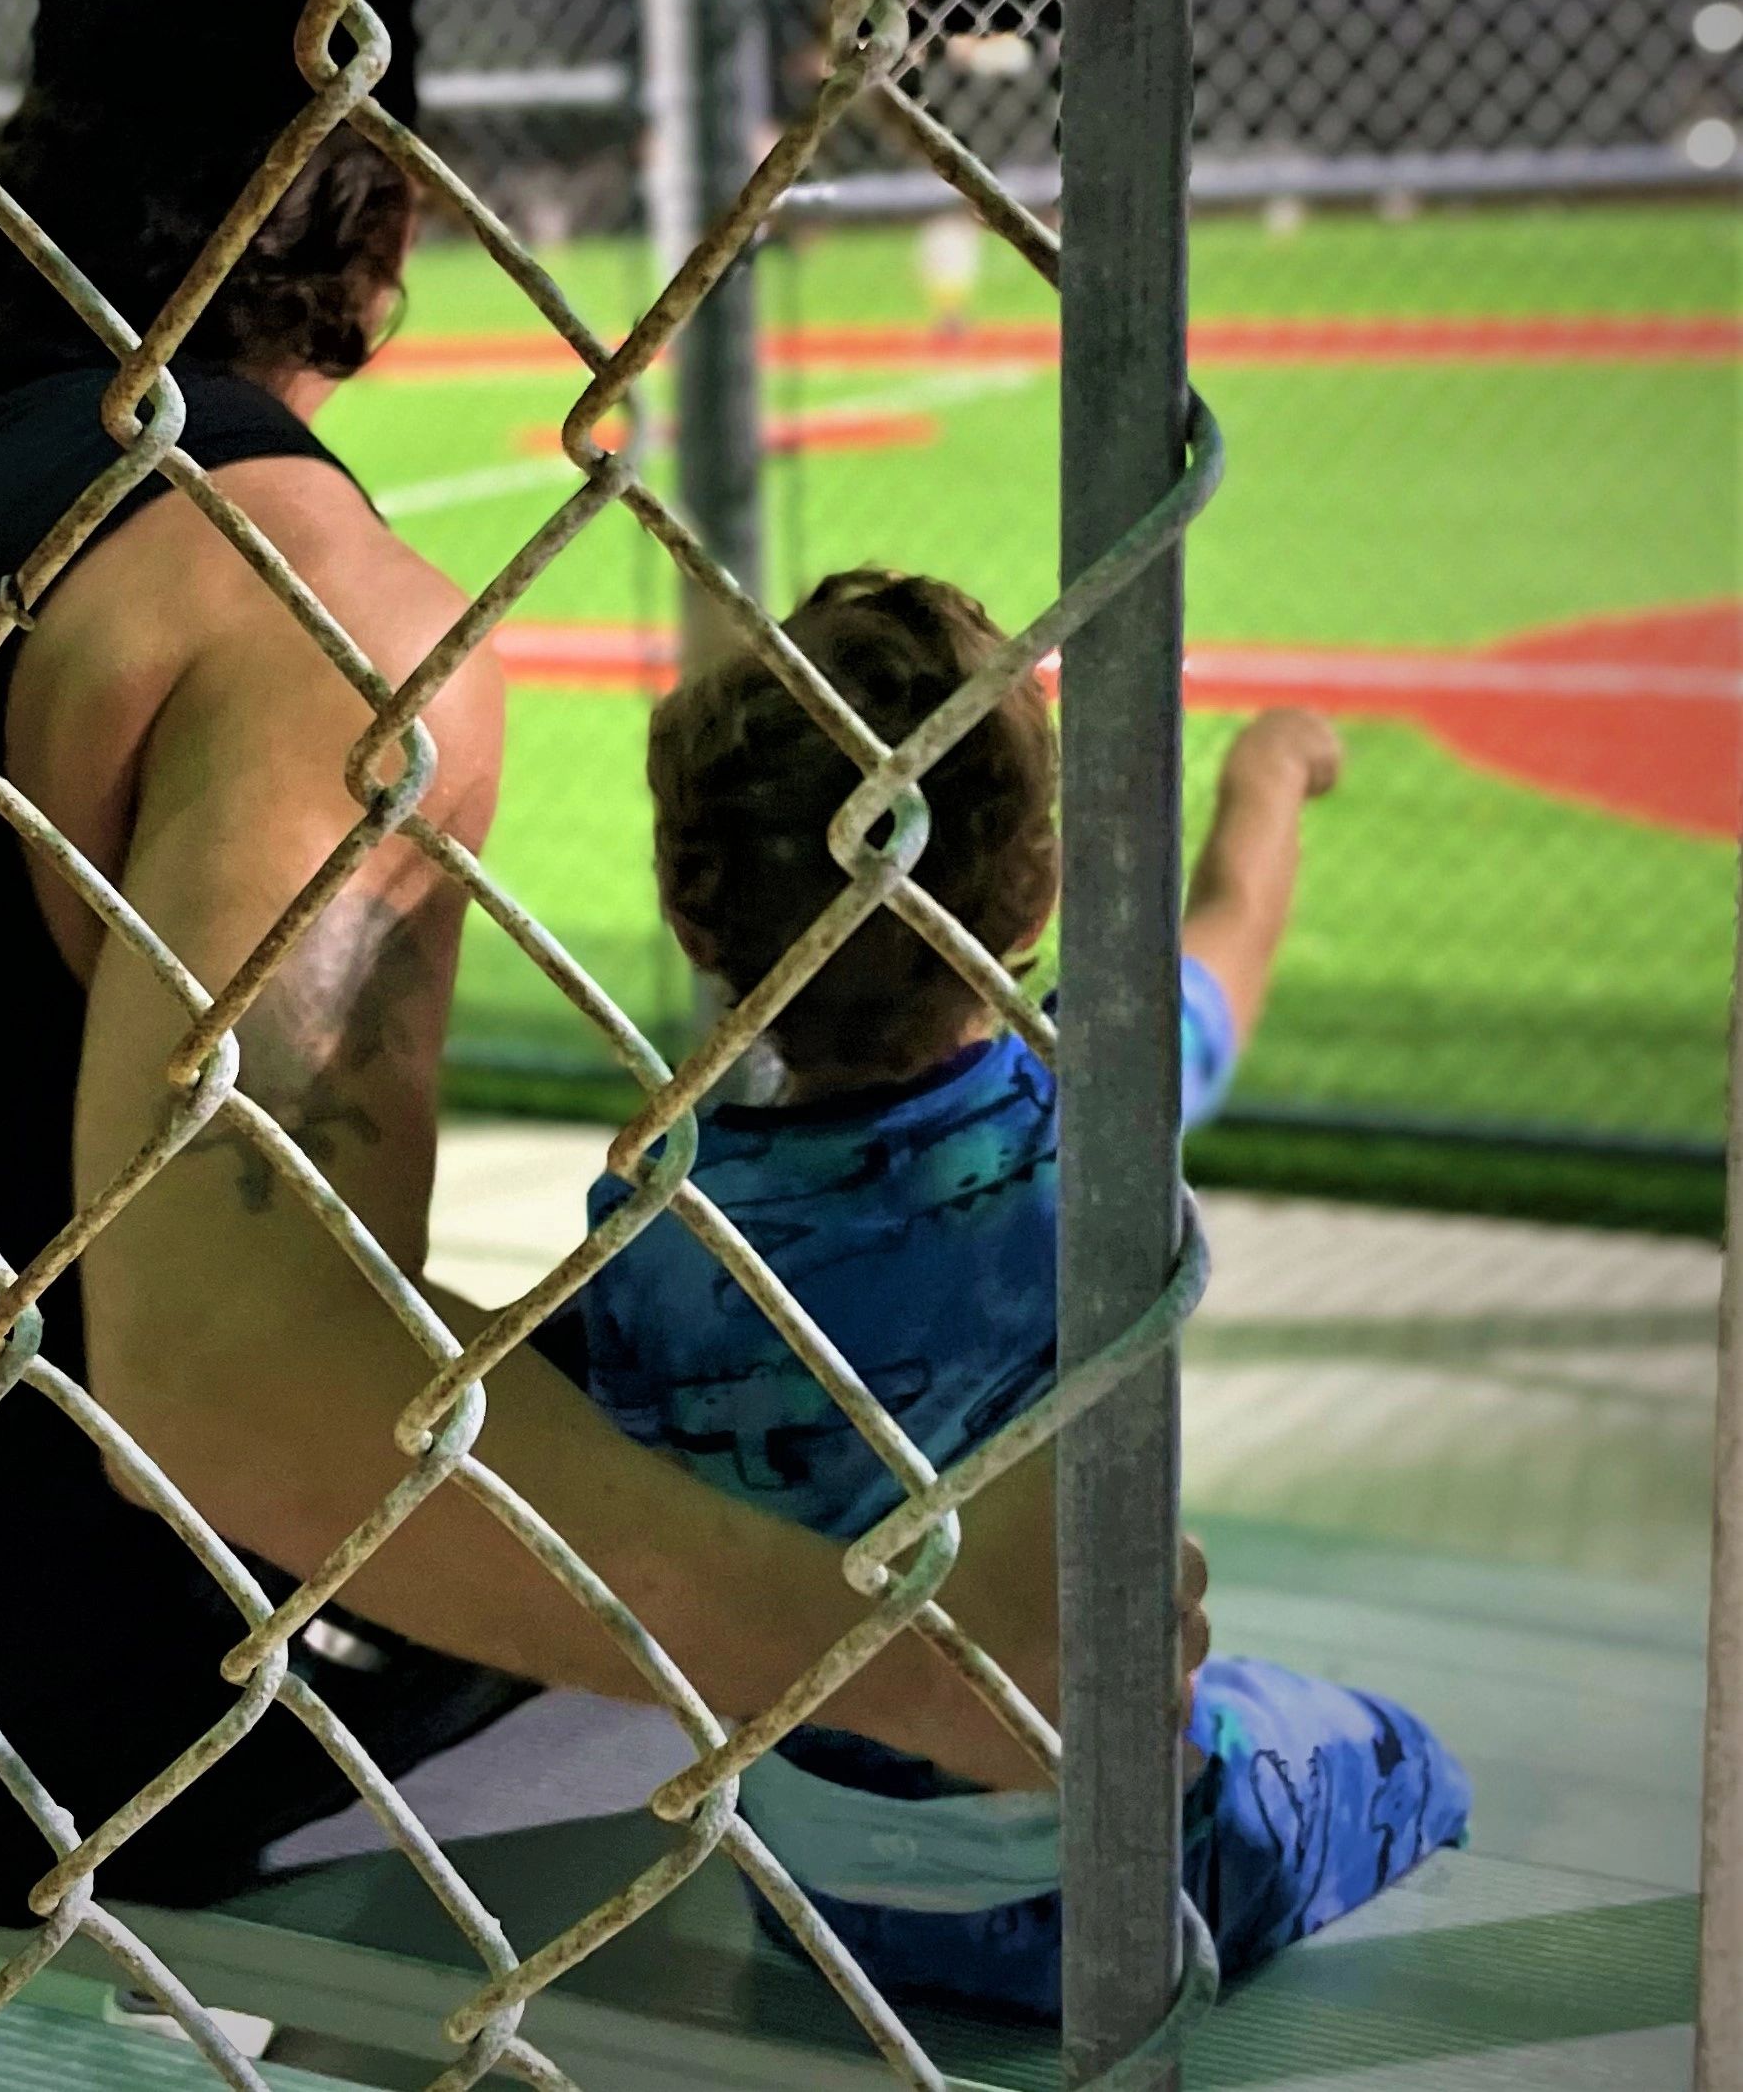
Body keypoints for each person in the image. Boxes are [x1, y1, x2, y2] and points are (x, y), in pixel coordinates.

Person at [0, 0, 1205, 1929]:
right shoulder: (324, 618)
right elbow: (236, 1401)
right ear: (389, 214)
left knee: (617, 1352)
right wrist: (907, 1653)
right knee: (773, 1438)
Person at [574, 567, 1472, 2018]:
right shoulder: (1086, 1113)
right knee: (1405, 1754)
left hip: (811, 1890)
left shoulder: (653, 1218)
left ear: (693, 913)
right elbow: (1226, 940)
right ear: (1037, 880)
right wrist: (1268, 770)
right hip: (1136, 1878)